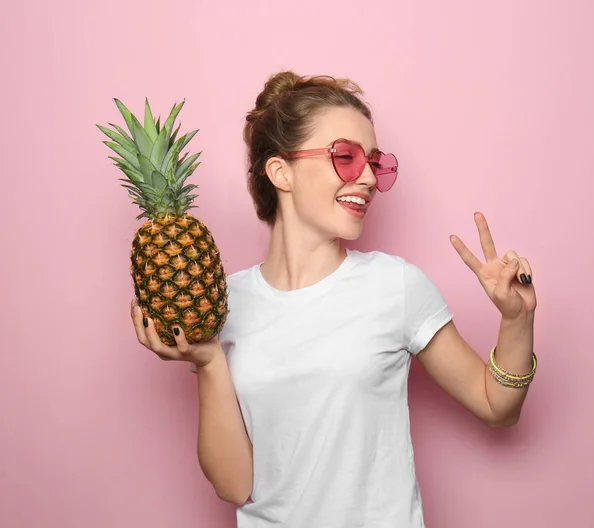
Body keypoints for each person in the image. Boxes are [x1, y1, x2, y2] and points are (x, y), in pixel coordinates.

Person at [130, 71, 538, 527]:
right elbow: (235, 486)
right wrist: (207, 361)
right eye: (345, 157)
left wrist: (516, 319)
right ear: (280, 171)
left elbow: (497, 407)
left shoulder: (395, 286)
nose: (366, 177)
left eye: (375, 163)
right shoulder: (224, 303)